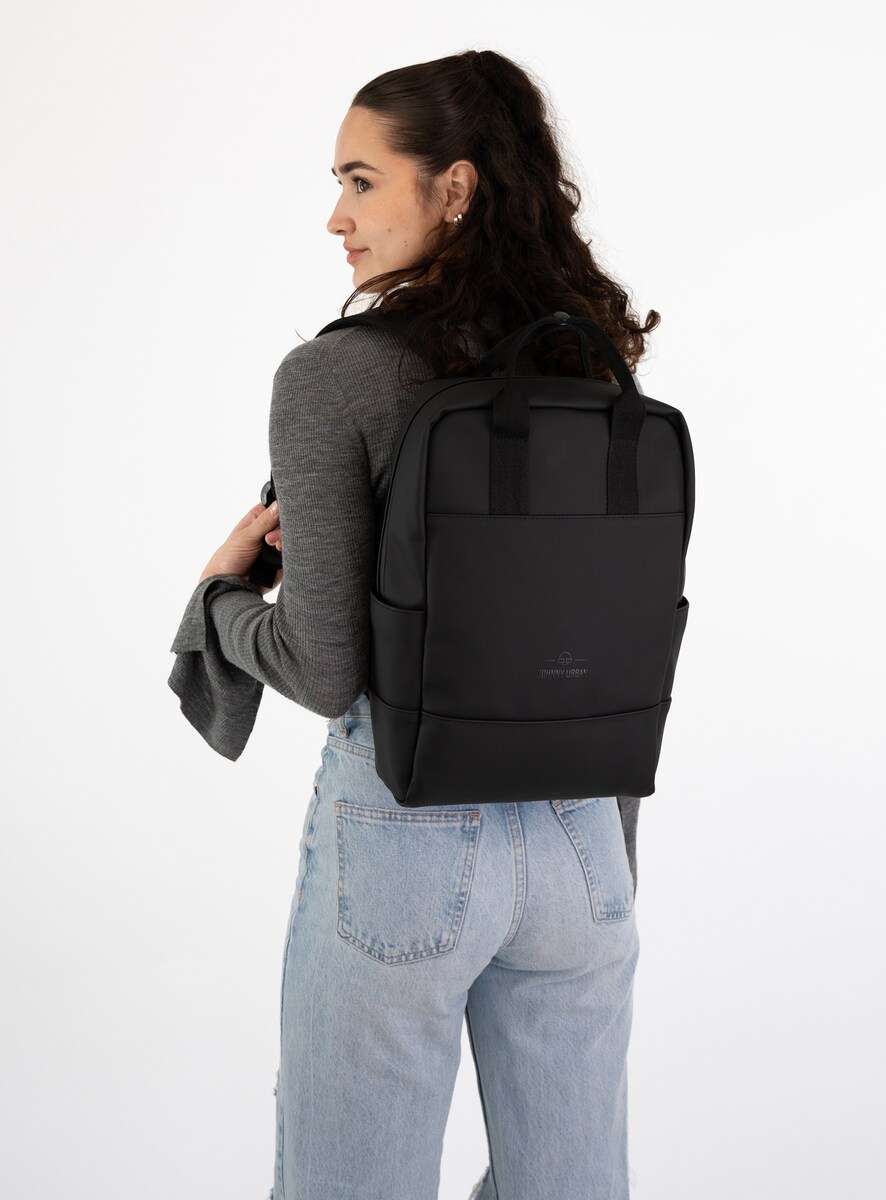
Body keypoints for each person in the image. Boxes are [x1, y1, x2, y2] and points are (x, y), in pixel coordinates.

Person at [168, 48, 660, 1200]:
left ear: (454, 188)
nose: (334, 217)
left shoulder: (333, 378)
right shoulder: (594, 366)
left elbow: (327, 668)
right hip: (588, 842)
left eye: (360, 180)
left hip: (406, 837)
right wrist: (610, 872)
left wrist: (222, 603)